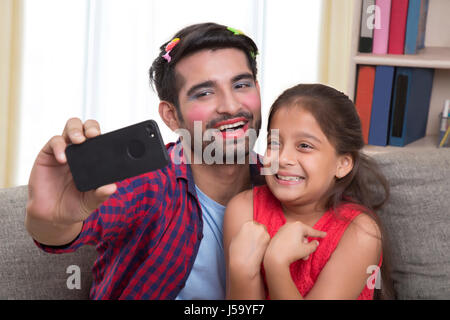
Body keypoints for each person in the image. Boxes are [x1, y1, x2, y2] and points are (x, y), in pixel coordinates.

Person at [25, 22, 264, 299]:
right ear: (171, 115)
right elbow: (68, 228)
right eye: (205, 93)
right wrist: (50, 220)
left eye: (241, 84)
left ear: (257, 89)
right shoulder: (148, 182)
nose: (232, 106)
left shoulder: (285, 182)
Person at [224, 83, 394, 300]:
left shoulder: (360, 233)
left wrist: (276, 265)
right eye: (274, 143)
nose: (283, 158)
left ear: (342, 164)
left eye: (304, 146)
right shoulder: (243, 210)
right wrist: (241, 270)